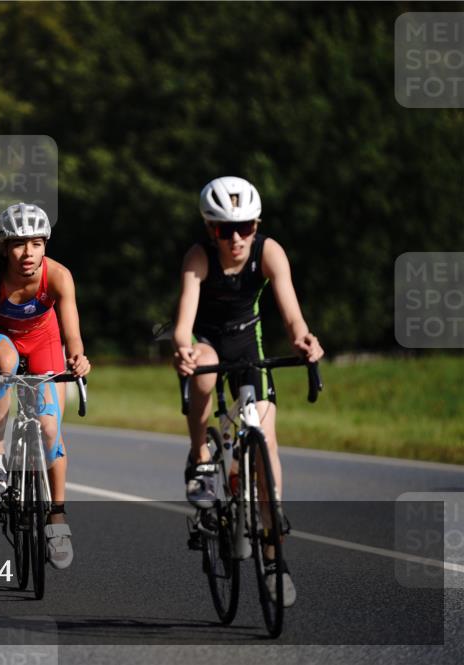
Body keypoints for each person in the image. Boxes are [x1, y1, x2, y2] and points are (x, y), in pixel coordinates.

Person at [172, 176, 324, 607]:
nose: (236, 238)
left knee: (264, 441)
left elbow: (293, 315)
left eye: (245, 228)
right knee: (201, 365)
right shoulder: (199, 257)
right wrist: (182, 348)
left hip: (246, 347)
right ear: (210, 229)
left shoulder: (269, 252)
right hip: (207, 341)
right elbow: (183, 320)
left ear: (257, 225)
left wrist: (304, 341)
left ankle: (274, 561)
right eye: (224, 229)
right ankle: (200, 456)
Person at [0, 202, 91, 570]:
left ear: (45, 245)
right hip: (3, 339)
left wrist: (78, 358)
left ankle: (57, 518)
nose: (28, 253)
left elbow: (72, 336)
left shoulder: (59, 276)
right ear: (5, 247)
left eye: (36, 243)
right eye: (19, 244)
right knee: (3, 364)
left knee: (51, 428)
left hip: (44, 342)